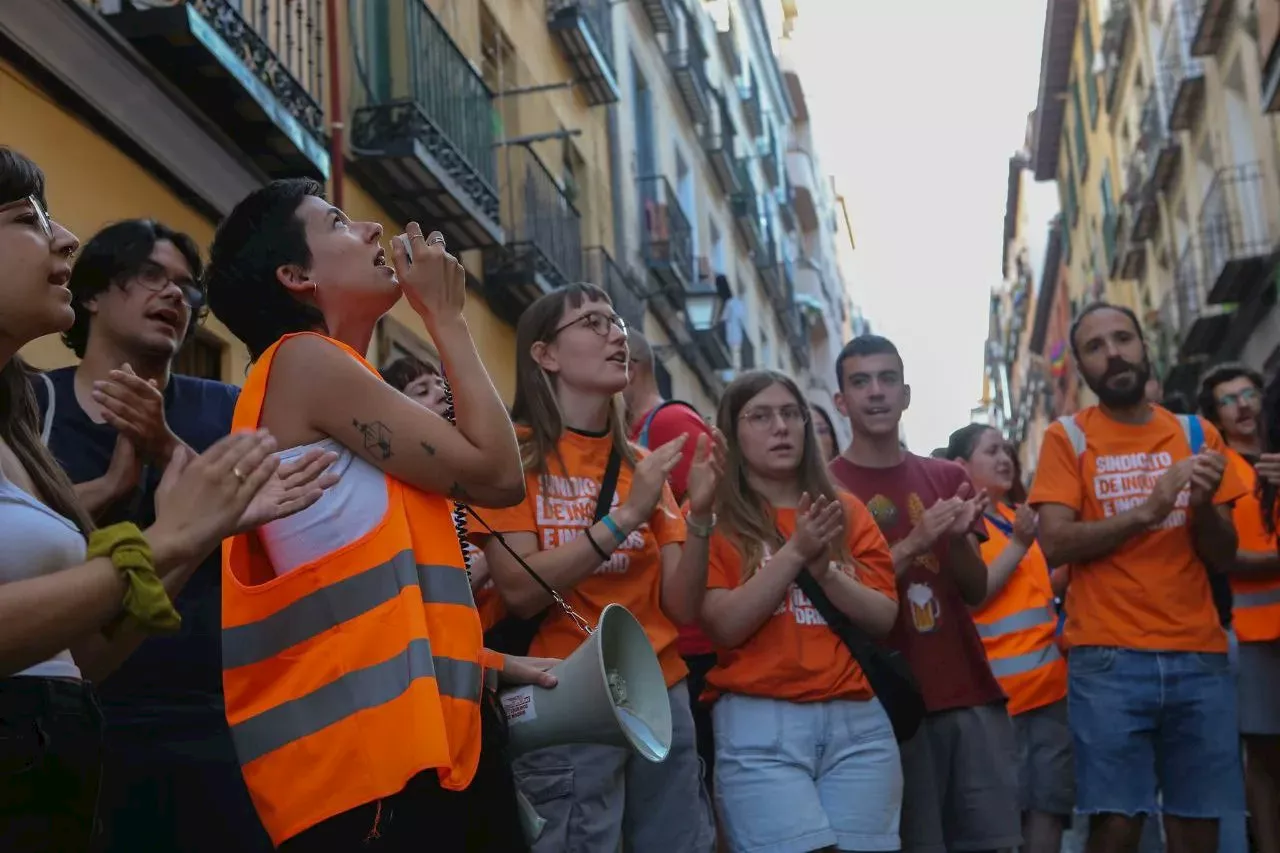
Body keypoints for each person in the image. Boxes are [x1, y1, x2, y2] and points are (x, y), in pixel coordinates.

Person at [204, 177, 556, 851]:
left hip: (400, 761)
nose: (371, 230)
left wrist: (480, 657)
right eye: (338, 222)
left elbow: (366, 600)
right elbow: (500, 475)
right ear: (294, 275)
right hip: (376, 779)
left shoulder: (328, 380)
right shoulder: (305, 361)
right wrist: (447, 316)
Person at [0, 147, 301, 852]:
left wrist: (192, 536)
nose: (64, 238)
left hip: (85, 759)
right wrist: (166, 535)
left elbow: (82, 658)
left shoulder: (14, 417)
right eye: (26, 218)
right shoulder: (43, 399)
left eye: (186, 286)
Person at [475, 284, 723, 853]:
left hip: (661, 692)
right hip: (563, 696)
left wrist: (702, 513)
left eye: (617, 321)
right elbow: (519, 590)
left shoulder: (639, 464)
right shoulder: (514, 454)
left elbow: (683, 609)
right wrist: (625, 518)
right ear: (546, 355)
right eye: (593, 322)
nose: (617, 333)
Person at [1029, 303, 1246, 853]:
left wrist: (1200, 506)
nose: (1114, 353)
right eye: (1096, 347)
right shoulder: (1067, 438)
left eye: (1123, 338)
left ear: (1144, 346)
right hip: (1107, 661)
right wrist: (1147, 512)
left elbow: (1224, 555)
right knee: (1117, 824)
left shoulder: (1198, 434)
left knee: (1199, 822)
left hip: (1199, 654)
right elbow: (1055, 540)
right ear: (1080, 367)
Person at [829, 334, 1022, 853]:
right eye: (861, 381)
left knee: (992, 842)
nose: (876, 392)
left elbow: (975, 589)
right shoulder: (827, 487)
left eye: (887, 379)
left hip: (967, 691)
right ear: (840, 401)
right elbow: (837, 599)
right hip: (882, 705)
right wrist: (915, 542)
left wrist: (958, 538)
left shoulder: (946, 475)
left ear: (907, 393)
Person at [699, 369, 902, 853]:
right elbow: (723, 625)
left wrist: (827, 572)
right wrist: (794, 555)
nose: (782, 427)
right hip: (760, 722)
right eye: (761, 416)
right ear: (732, 433)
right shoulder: (714, 517)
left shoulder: (848, 510)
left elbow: (883, 617)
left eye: (792, 414)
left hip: (858, 724)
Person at [945, 423, 1072, 853]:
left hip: (1050, 692)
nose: (1005, 458)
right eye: (991, 450)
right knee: (1007, 822)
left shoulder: (1014, 517)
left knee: (1049, 810)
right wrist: (1020, 544)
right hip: (999, 701)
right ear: (960, 466)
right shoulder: (961, 526)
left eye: (1008, 449)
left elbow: (1037, 592)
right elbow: (976, 597)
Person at [623, 329, 719, 789]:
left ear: (630, 367)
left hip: (692, 640)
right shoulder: (629, 434)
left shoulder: (670, 424)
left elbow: (712, 510)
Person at [1199, 362, 1280, 853]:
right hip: (1252, 634)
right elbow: (1221, 550)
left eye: (1248, 393)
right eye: (1229, 400)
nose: (1243, 405)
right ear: (1216, 416)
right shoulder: (1219, 466)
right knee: (1266, 758)